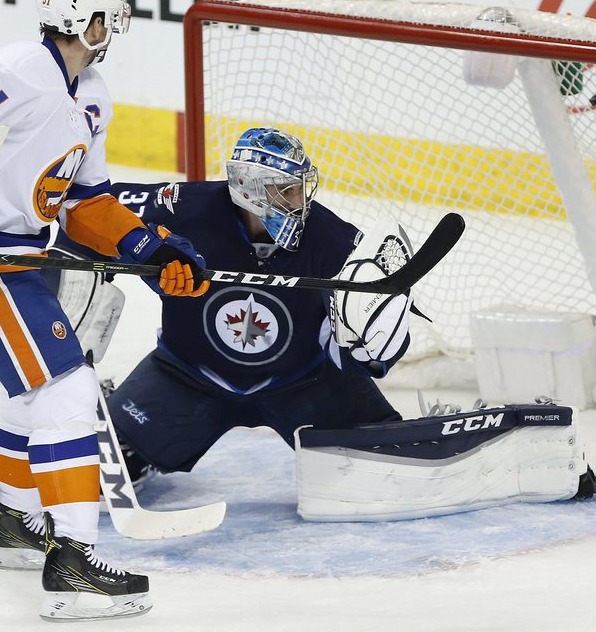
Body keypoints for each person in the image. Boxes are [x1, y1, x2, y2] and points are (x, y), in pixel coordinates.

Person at [0, 0, 209, 622]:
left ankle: (15, 520)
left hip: (9, 261)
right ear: (91, 22)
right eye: (108, 20)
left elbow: (86, 202)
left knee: (25, 384)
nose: (111, 31)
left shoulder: (91, 95)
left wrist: (148, 245)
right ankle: (74, 564)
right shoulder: (21, 71)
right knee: (66, 386)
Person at [53, 127, 413, 486]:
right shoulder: (182, 206)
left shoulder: (333, 237)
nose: (298, 199)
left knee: (384, 467)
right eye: (286, 190)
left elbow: (358, 344)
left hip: (306, 383)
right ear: (249, 187)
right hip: (186, 376)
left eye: (300, 187)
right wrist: (82, 283)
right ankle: (134, 438)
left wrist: (369, 350)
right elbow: (88, 213)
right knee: (95, 473)